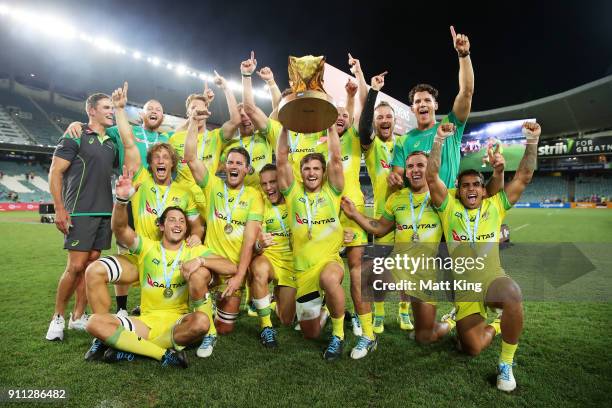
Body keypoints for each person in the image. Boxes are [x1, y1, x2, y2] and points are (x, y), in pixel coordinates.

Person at [425, 121, 541, 392]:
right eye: (466, 185)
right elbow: (431, 177)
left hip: (491, 279)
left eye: (477, 184)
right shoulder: (447, 206)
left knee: (512, 293)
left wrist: (532, 142)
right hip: (465, 289)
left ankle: (506, 364)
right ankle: (497, 323)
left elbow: (523, 176)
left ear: (483, 187)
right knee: (472, 348)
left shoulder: (495, 205)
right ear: (458, 188)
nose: (472, 189)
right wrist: (439, 140)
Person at [84, 167, 236, 367]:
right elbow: (120, 229)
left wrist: (201, 261)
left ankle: (132, 349)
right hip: (145, 323)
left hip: (177, 323)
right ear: (162, 226)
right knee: (94, 322)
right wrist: (121, 201)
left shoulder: (194, 251)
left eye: (182, 221)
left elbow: (231, 267)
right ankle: (161, 353)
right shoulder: (147, 247)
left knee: (202, 322)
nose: (178, 224)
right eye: (172, 219)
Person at [63, 83, 173, 316]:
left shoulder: (169, 137)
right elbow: (95, 128)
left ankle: (149, 303)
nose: (154, 111)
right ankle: (122, 308)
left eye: (159, 109)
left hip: (158, 201)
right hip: (130, 199)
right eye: (149, 108)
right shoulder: (121, 130)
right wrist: (79, 125)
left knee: (156, 254)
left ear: (163, 116)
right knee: (125, 253)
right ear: (141, 114)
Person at [184, 107, 263, 357]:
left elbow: (250, 241)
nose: (233, 166)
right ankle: (207, 330)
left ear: (248, 169)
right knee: (198, 277)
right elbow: (190, 157)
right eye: (230, 162)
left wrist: (240, 277)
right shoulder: (213, 185)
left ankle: (207, 309)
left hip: (233, 268)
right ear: (224, 166)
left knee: (226, 327)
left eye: (239, 163)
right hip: (211, 259)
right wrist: (193, 123)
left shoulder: (253, 196)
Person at [46, 93, 118, 341]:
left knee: (90, 266)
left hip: (104, 212)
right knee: (75, 266)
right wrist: (59, 207)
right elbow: (55, 172)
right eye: (106, 107)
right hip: (80, 211)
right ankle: (57, 318)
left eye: (113, 107)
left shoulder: (112, 141)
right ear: (91, 110)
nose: (111, 111)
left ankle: (78, 317)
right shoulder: (75, 135)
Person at [276, 122, 349, 361]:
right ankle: (326, 310)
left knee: (329, 279)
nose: (311, 173)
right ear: (301, 171)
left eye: (317, 168)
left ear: (323, 172)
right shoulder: (293, 194)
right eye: (307, 168)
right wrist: (285, 127)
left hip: (329, 261)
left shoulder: (333, 191)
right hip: (303, 271)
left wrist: (329, 126)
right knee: (311, 333)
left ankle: (338, 336)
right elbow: (281, 160)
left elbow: (336, 159)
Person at [358, 65, 413, 334]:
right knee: (379, 273)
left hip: (406, 216)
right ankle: (378, 315)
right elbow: (363, 124)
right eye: (379, 117)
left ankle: (403, 312)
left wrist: (402, 180)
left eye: (387, 116)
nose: (383, 120)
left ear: (394, 120)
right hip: (381, 218)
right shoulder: (371, 146)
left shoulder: (404, 144)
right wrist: (373, 92)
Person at [389, 26, 474, 189]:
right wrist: (394, 179)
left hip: (446, 207)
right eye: (418, 102)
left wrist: (463, 55)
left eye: (427, 100)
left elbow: (466, 92)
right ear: (412, 109)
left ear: (435, 105)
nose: (422, 104)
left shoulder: (450, 126)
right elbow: (398, 176)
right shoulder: (403, 141)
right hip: (418, 210)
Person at [248, 163, 297, 347]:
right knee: (258, 268)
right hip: (270, 259)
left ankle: (277, 301)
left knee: (286, 320)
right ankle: (266, 327)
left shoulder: (295, 199)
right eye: (264, 183)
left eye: (273, 182)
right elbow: (253, 247)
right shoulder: (260, 205)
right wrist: (260, 244)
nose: (268, 188)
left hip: (292, 264)